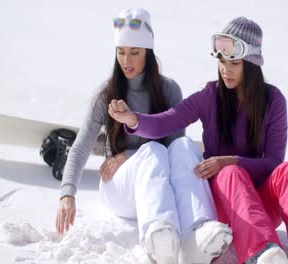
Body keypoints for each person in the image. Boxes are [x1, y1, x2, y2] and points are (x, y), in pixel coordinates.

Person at [108, 16, 288, 264]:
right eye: (221, 61)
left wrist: (234, 160)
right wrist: (132, 119)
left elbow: (274, 161)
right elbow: (166, 121)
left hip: (260, 205)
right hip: (225, 206)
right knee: (230, 174)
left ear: (251, 64)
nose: (225, 70)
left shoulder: (273, 100)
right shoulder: (210, 96)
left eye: (234, 63)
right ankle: (262, 254)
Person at [55, 8, 232, 264]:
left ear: (148, 53)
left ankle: (197, 234)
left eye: (134, 52)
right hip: (117, 187)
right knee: (153, 151)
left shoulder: (169, 89)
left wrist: (127, 154)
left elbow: (174, 155)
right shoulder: (106, 94)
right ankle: (158, 238)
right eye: (121, 52)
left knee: (182, 144)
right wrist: (67, 194)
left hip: (154, 182)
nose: (126, 60)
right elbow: (82, 145)